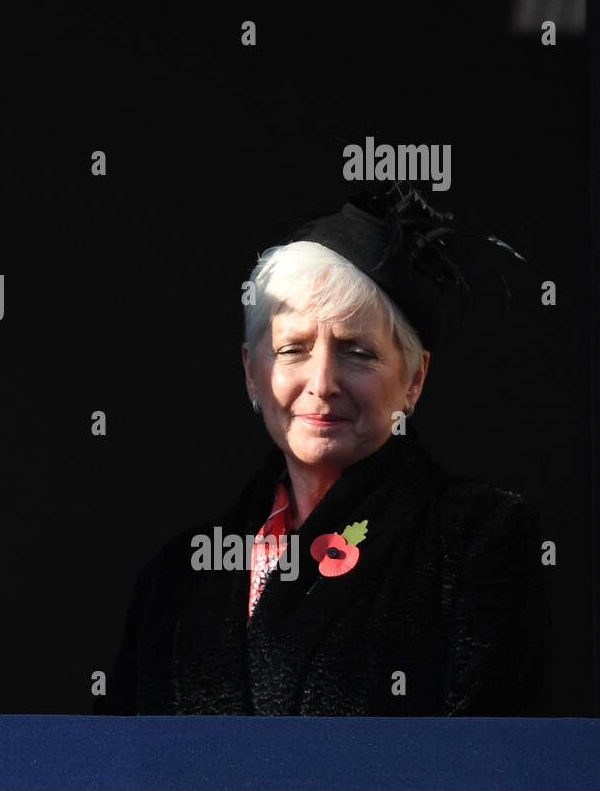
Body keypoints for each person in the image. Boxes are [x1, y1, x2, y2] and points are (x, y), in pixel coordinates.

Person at [100, 189, 548, 715]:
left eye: (358, 353)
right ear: (252, 371)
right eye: (293, 349)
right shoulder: (174, 580)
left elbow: (484, 766)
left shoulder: (477, 543)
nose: (322, 383)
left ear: (414, 379)